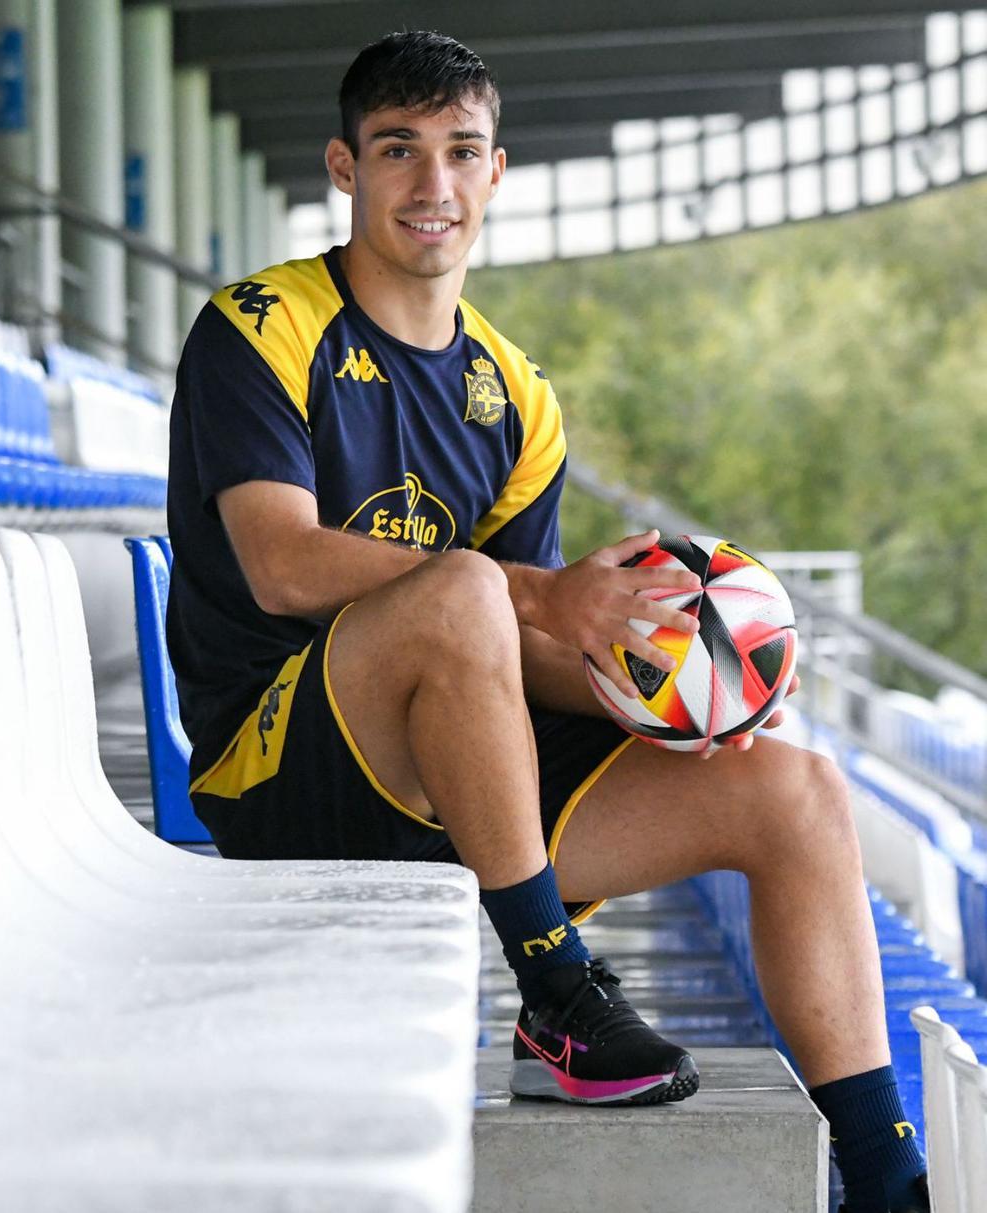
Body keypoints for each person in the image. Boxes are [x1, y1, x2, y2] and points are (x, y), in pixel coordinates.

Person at [166, 30, 928, 1213]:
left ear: (497, 173)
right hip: (281, 763)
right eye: (399, 151)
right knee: (470, 584)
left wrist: (664, 685)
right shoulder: (261, 325)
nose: (433, 186)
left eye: (461, 153)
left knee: (799, 792)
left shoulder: (516, 393)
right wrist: (541, 595)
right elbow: (280, 564)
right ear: (343, 166)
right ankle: (556, 990)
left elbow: (510, 657)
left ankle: (889, 1177)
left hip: (455, 769)